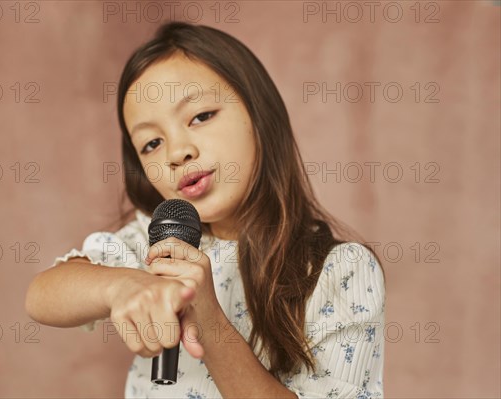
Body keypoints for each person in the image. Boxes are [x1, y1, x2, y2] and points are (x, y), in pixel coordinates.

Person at [26, 21, 386, 399]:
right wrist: (121, 286)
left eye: (200, 116)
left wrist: (209, 321)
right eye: (151, 143)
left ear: (258, 114)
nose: (177, 152)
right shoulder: (156, 242)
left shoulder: (341, 273)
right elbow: (42, 296)